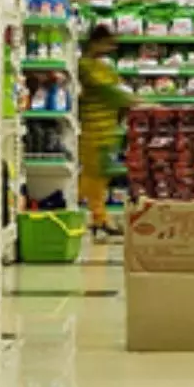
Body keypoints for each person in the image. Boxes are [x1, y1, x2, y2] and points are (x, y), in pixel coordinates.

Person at [78, 25, 133, 237]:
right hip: (93, 129)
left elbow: (118, 88)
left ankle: (98, 217)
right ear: (95, 42)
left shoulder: (103, 67)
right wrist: (135, 100)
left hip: (108, 130)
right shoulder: (85, 66)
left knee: (100, 176)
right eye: (107, 43)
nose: (111, 48)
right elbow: (109, 91)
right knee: (93, 176)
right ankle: (96, 217)